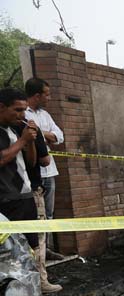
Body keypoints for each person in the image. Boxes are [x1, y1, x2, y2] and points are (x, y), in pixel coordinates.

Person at [0, 87, 62, 293]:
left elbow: (33, 161)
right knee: (11, 250)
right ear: (2, 107)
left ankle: (35, 288)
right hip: (7, 200)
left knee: (33, 245)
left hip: (25, 195)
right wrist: (23, 141)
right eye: (17, 110)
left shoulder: (16, 129)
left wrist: (32, 140)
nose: (22, 115)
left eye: (24, 110)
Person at [24, 78, 63, 221]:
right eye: (47, 94)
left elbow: (59, 137)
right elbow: (27, 135)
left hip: (50, 172)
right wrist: (46, 136)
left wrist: (39, 133)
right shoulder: (23, 114)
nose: (49, 98)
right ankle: (40, 244)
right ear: (37, 96)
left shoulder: (45, 115)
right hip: (33, 173)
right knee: (37, 216)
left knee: (49, 214)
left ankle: (47, 244)